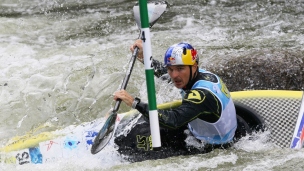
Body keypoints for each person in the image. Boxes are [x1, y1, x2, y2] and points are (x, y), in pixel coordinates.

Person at [113, 39, 238, 162]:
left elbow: (173, 120)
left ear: (194, 67)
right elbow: (165, 74)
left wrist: (134, 102)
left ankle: (117, 153)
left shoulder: (202, 95)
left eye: (180, 69)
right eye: (171, 69)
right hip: (205, 133)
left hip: (209, 148)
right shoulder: (202, 75)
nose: (174, 75)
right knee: (144, 121)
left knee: (138, 136)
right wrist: (144, 58)